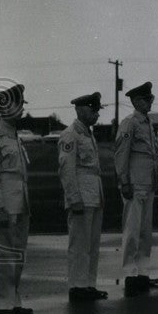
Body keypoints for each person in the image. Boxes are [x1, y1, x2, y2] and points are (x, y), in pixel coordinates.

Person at [0, 83, 33, 314]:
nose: (21, 110)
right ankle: (1, 304)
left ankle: (13, 300)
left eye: (22, 105)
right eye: (18, 105)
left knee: (17, 254)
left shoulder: (15, 137)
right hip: (4, 205)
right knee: (2, 256)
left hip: (20, 203)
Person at [58, 92, 107, 301]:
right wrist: (73, 197)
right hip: (81, 196)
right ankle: (77, 286)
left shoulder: (88, 134)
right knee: (79, 244)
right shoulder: (70, 135)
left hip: (94, 194)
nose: (96, 114)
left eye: (97, 110)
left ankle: (88, 284)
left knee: (92, 244)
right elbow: (66, 169)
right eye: (92, 109)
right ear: (79, 110)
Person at [114, 81, 158, 297]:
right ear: (135, 101)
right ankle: (130, 273)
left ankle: (142, 272)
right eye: (145, 99)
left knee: (145, 232)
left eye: (150, 98)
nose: (150, 102)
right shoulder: (129, 123)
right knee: (132, 232)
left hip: (147, 184)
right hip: (134, 184)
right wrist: (124, 181)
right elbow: (121, 154)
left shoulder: (148, 124)